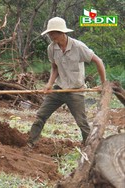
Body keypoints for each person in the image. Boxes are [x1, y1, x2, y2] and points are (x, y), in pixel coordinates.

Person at [27, 17, 106, 147]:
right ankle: (31, 143)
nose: (51, 36)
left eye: (53, 33)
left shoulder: (78, 47)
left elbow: (99, 61)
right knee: (41, 115)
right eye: (50, 34)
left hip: (76, 90)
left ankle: (91, 147)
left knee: (82, 122)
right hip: (59, 88)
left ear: (62, 32)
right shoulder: (51, 48)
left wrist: (103, 84)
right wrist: (49, 84)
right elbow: (54, 67)